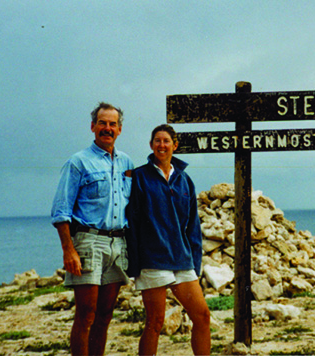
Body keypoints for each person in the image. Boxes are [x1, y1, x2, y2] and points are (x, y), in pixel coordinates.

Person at [51, 102, 133, 356]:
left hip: (118, 244)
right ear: (92, 126)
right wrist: (69, 250)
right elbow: (61, 211)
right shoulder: (78, 162)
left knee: (105, 315)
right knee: (86, 314)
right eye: (102, 123)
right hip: (88, 242)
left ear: (119, 129)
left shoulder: (126, 162)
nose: (107, 128)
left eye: (112, 124)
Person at [126, 124, 210, 355]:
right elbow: (132, 222)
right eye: (157, 140)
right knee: (155, 322)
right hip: (153, 260)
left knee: (202, 316)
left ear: (175, 145)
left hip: (182, 260)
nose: (161, 145)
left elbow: (193, 225)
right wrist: (134, 264)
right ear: (151, 145)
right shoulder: (140, 176)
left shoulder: (184, 180)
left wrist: (195, 262)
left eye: (166, 141)